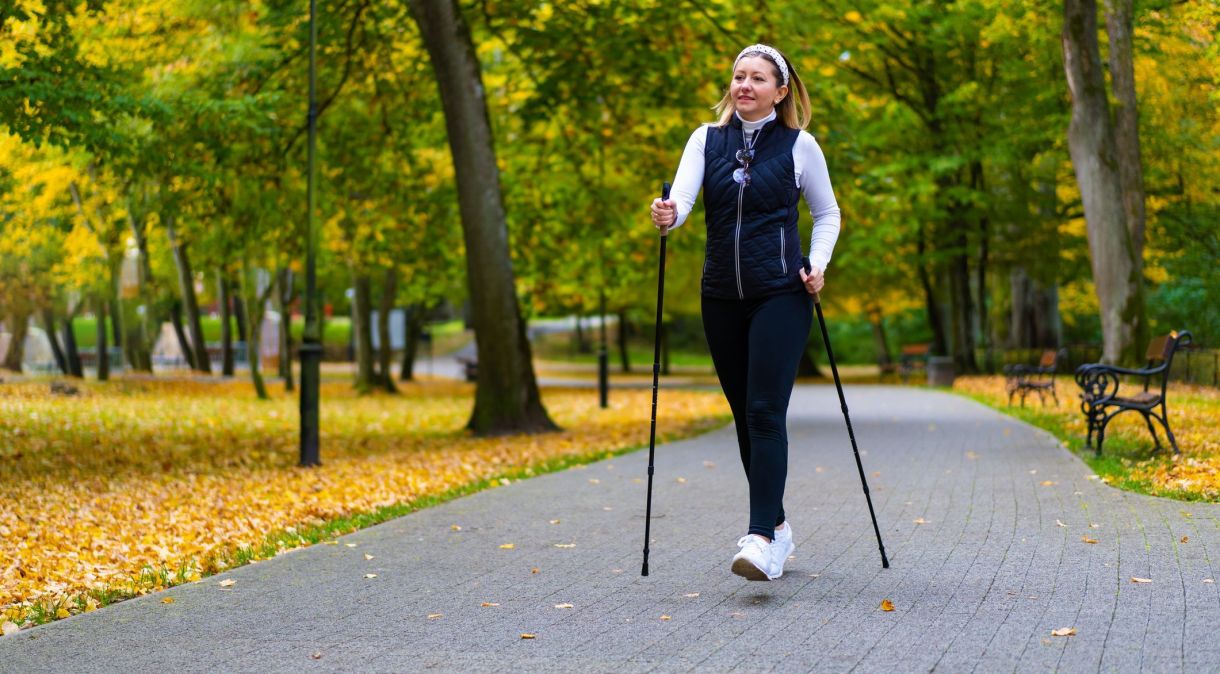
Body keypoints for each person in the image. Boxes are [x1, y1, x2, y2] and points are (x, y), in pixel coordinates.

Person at [650, 44, 841, 581]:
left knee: (763, 411)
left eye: (758, 78)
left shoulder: (800, 146)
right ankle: (776, 528)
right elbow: (682, 205)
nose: (745, 86)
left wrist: (818, 264)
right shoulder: (705, 140)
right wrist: (666, 214)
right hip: (720, 296)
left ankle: (758, 538)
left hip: (781, 291)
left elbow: (827, 213)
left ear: (780, 92)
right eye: (739, 77)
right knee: (743, 414)